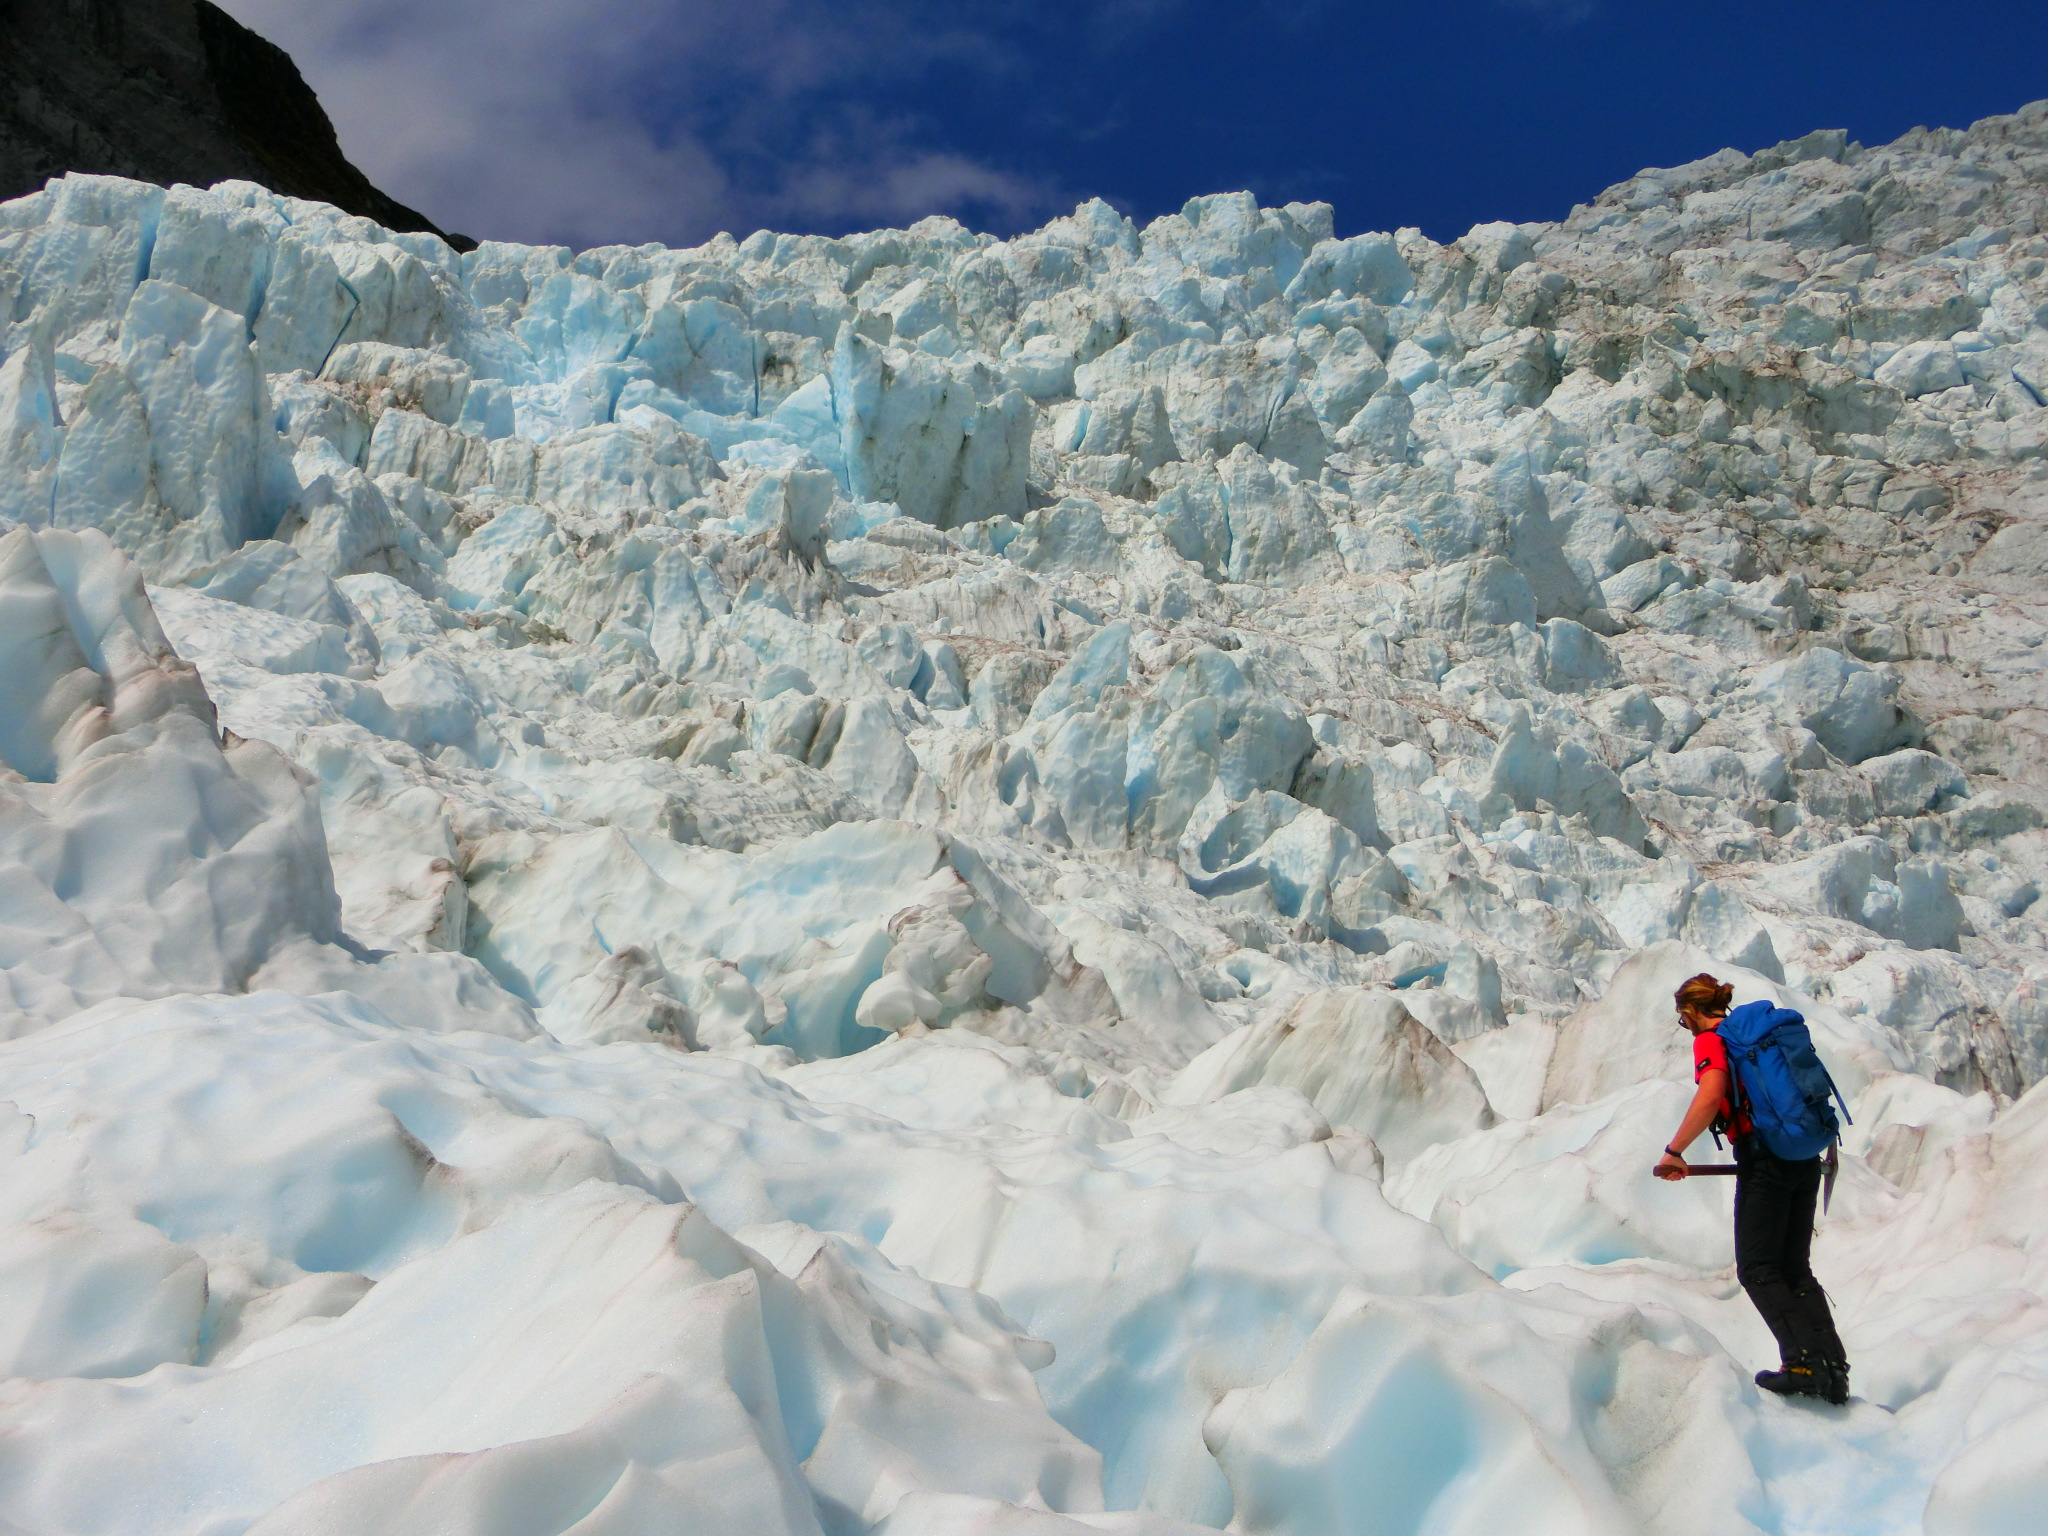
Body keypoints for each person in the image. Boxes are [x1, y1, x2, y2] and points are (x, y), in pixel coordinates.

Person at [1654, 972, 1850, 1404]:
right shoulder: (1755, 1036)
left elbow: (1711, 1094)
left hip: (1766, 1160)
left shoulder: (1712, 1041)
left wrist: (1674, 1151)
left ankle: (1803, 1365)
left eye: (1682, 1018)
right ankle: (1833, 1370)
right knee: (1794, 1268)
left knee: (1759, 1269)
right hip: (1803, 1158)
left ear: (1689, 1012)